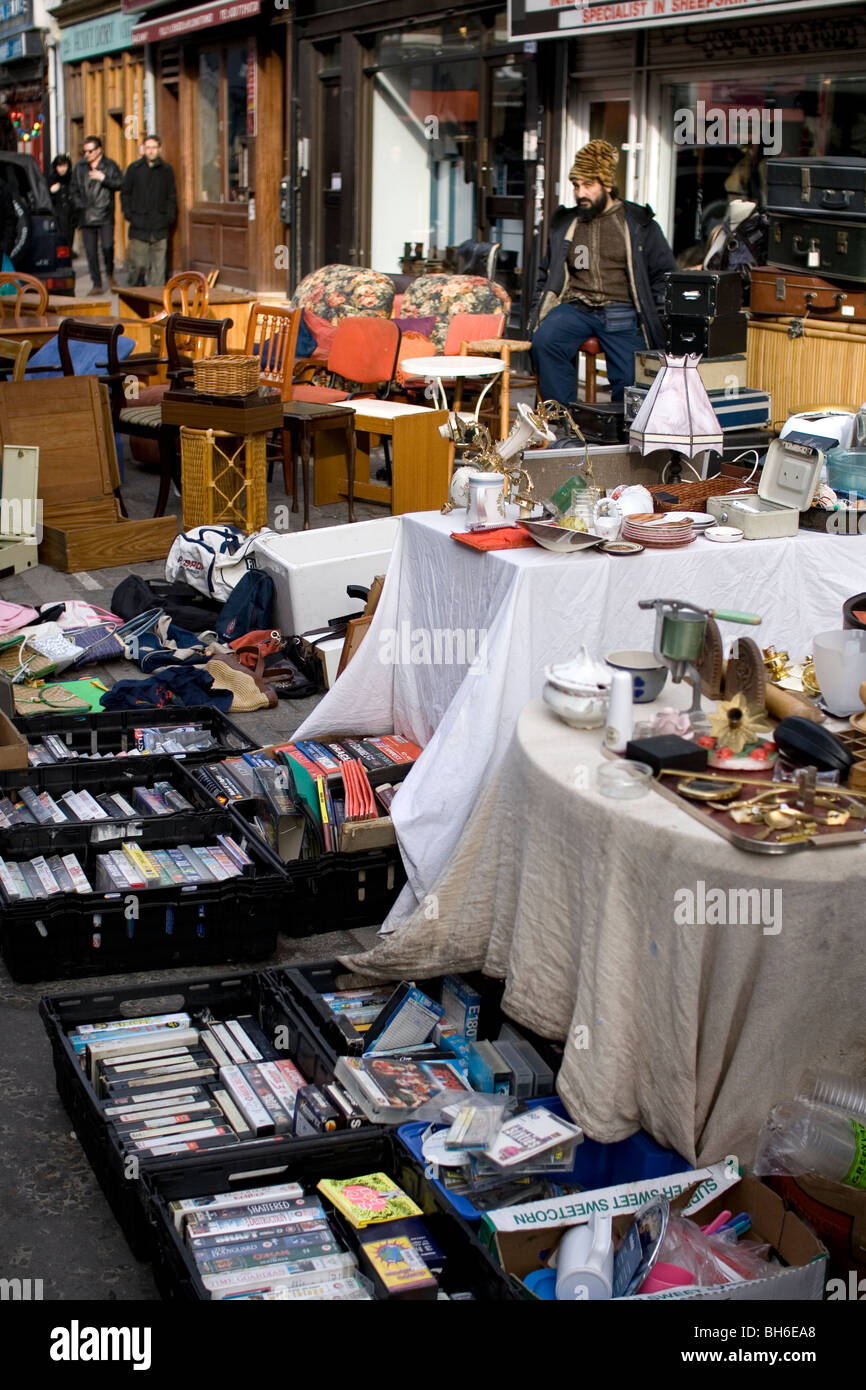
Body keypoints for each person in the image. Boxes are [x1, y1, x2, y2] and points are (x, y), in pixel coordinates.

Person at [529, 139, 677, 406]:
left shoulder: (637, 224)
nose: (580, 193)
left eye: (588, 185)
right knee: (545, 341)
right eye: (576, 186)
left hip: (621, 310)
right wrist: (539, 307)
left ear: (607, 185)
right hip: (577, 307)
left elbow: (664, 275)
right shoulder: (568, 224)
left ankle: (620, 431)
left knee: (632, 375)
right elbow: (546, 271)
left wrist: (657, 317)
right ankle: (563, 420)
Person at [121, 134, 177, 286]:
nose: (151, 151)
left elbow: (171, 196)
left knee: (159, 270)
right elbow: (125, 193)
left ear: (159, 149)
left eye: (154, 148)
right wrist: (129, 214)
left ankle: (157, 303)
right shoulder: (134, 169)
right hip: (139, 226)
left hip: (160, 225)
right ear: (143, 150)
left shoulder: (166, 170)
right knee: (138, 266)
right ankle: (135, 296)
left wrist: (168, 217)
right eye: (148, 148)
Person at [71, 136, 123, 293]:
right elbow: (73, 189)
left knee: (107, 247)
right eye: (84, 151)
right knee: (90, 251)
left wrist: (104, 178)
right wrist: (80, 205)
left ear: (99, 150)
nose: (86, 154)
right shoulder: (80, 167)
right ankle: (97, 283)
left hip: (105, 213)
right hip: (86, 215)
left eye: (90, 151)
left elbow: (120, 183)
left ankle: (109, 272)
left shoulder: (110, 165)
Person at [48, 153, 77, 250]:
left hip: (71, 216)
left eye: (64, 166)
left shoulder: (72, 179)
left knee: (68, 241)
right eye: (60, 166)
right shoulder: (51, 179)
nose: (62, 169)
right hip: (57, 216)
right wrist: (52, 192)